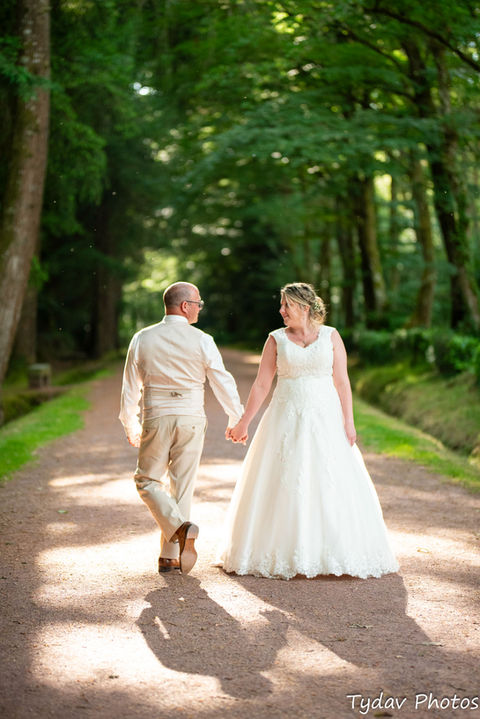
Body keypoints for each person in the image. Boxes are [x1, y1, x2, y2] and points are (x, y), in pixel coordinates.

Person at [221, 282, 399, 580]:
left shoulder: (331, 336)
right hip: (285, 418)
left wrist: (349, 422)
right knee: (284, 479)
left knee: (329, 478)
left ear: (304, 308)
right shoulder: (276, 340)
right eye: (281, 305)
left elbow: (342, 381)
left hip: (325, 418)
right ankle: (280, 548)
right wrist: (244, 422)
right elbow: (262, 385)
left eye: (286, 305)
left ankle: (333, 550)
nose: (281, 311)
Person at [120, 282, 243, 575]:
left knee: (147, 480)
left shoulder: (142, 338)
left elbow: (130, 387)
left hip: (157, 416)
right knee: (182, 487)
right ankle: (171, 554)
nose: (200, 307)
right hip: (191, 418)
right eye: (198, 302)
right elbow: (221, 380)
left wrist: (130, 421)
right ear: (185, 306)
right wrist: (235, 416)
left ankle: (172, 548)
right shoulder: (203, 340)